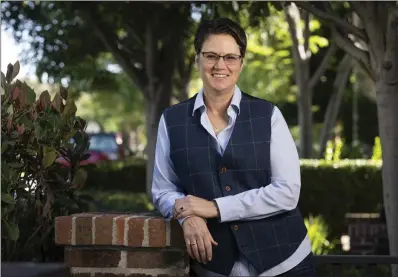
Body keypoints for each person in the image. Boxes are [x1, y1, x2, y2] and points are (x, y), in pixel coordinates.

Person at [151, 17, 316, 277]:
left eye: (230, 57)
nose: (220, 65)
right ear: (197, 60)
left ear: (241, 63)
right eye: (211, 56)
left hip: (285, 263)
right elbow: (163, 190)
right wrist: (186, 216)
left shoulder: (268, 115)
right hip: (216, 267)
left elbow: (287, 191)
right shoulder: (171, 120)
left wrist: (215, 208)